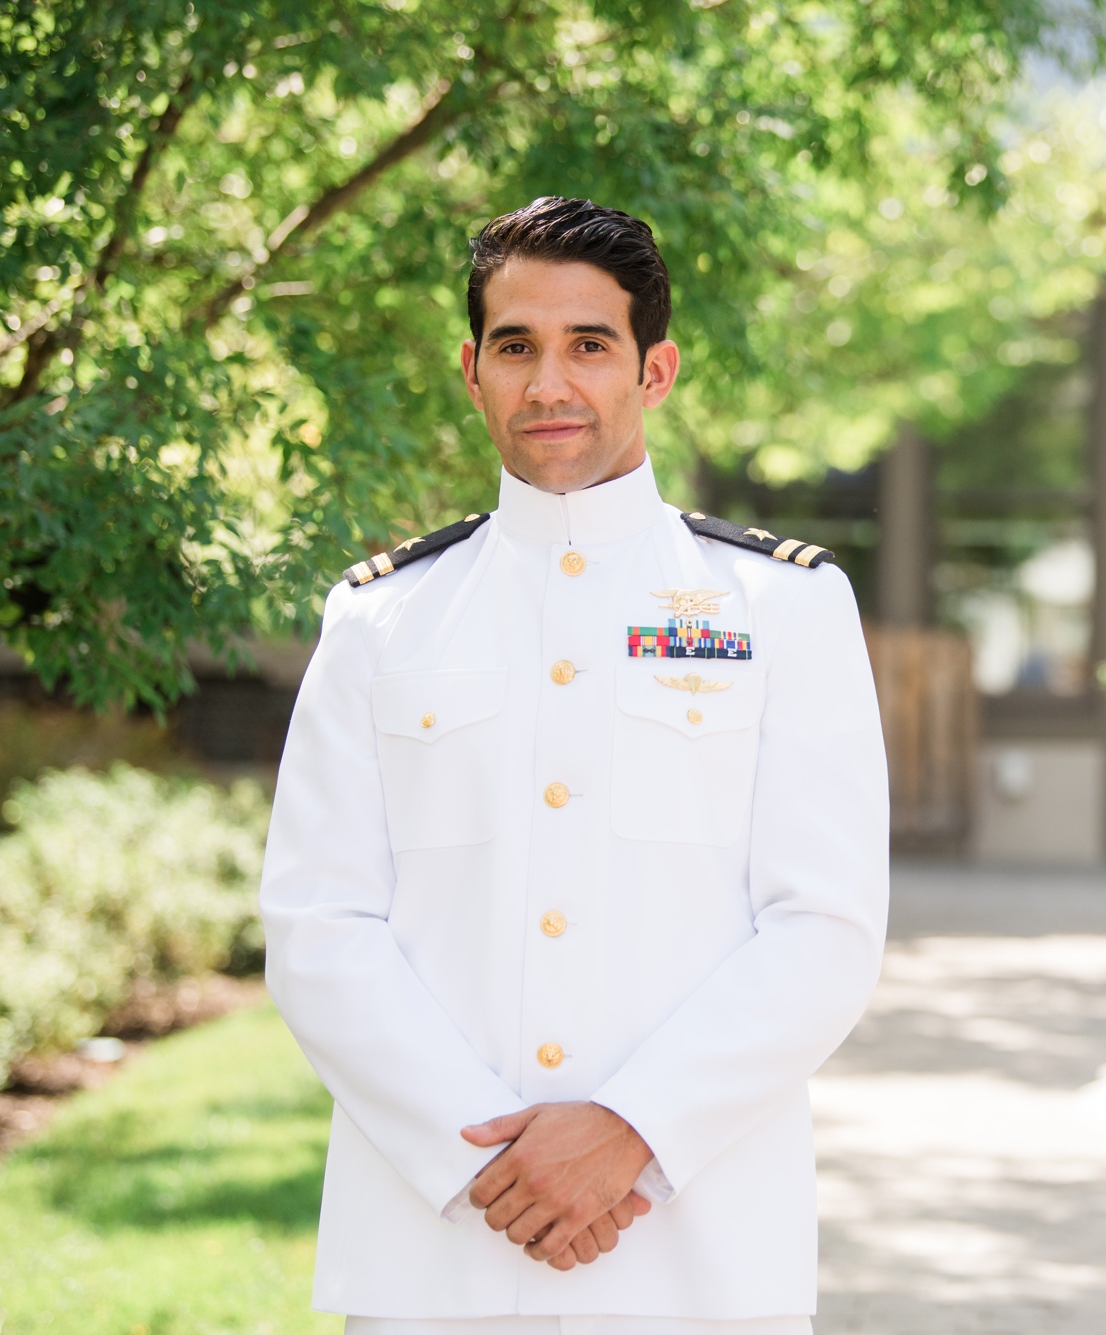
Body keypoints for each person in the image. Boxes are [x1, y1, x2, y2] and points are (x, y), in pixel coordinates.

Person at [260, 196, 890, 1334]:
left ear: (654, 371)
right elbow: (318, 922)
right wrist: (485, 1160)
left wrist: (631, 1128)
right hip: (433, 1247)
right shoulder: (380, 621)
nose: (549, 384)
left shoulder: (781, 609)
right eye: (516, 347)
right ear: (471, 370)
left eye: (588, 345)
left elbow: (825, 926)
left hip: (691, 1251)